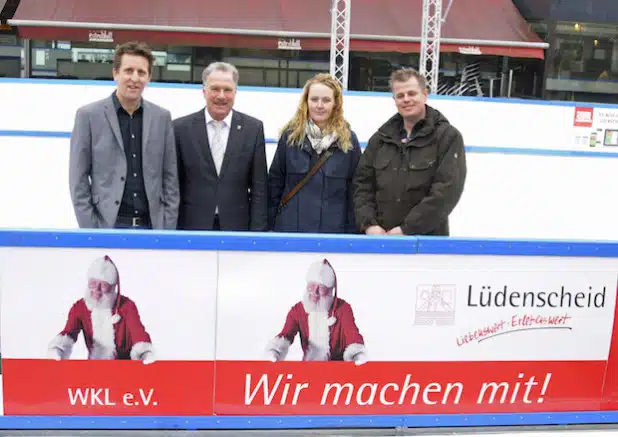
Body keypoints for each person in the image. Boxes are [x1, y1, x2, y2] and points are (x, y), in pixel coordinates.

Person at [68, 41, 179, 230]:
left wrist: (166, 226)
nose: (134, 78)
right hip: (107, 226)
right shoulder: (88, 116)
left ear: (149, 77)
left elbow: (170, 178)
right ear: (115, 73)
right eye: (128, 71)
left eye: (141, 72)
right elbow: (78, 179)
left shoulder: (162, 118)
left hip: (152, 227)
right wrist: (91, 227)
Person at [353, 68, 467, 236]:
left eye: (412, 93)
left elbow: (445, 192)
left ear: (425, 94)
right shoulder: (380, 139)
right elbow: (362, 186)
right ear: (394, 100)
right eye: (400, 96)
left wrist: (407, 229)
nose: (406, 99)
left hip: (425, 244)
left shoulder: (447, 137)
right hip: (380, 240)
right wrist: (369, 224)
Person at [173, 62, 268, 231]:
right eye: (215, 89)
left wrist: (257, 232)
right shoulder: (180, 129)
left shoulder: (253, 129)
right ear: (204, 91)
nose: (221, 96)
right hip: (191, 227)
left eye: (227, 90)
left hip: (237, 229)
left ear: (235, 92)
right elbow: (173, 185)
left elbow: (259, 188)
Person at [268, 73, 361, 233]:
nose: (319, 105)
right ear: (306, 102)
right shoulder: (290, 137)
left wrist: (353, 231)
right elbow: (275, 183)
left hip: (333, 232)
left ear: (335, 104)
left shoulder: (348, 140)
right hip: (292, 230)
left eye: (326, 100)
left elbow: (356, 190)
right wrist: (269, 226)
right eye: (314, 99)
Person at [48, 256, 155, 364]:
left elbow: (138, 332)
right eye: (93, 283)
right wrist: (58, 350)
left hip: (124, 368)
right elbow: (69, 332)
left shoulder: (127, 306)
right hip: (94, 367)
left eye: (104, 285)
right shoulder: (80, 307)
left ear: (113, 287)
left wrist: (144, 353)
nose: (96, 289)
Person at [266, 259, 367, 365]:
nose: (315, 292)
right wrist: (275, 351)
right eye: (312, 286)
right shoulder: (298, 310)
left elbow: (352, 334)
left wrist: (357, 354)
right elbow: (286, 334)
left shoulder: (343, 309)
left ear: (330, 290)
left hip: (338, 369)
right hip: (309, 368)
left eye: (321, 288)